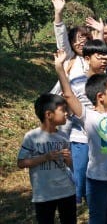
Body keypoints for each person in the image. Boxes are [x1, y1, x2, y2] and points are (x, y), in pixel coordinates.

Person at [54, 48, 107, 223]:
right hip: (99, 180)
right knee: (97, 217)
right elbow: (68, 95)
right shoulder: (88, 116)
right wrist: (60, 68)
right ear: (100, 96)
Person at [50, 39, 107, 205]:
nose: (104, 61)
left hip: (104, 139)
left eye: (106, 57)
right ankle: (76, 202)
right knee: (80, 173)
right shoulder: (77, 82)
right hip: (81, 138)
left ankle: (97, 203)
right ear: (87, 59)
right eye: (99, 57)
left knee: (101, 176)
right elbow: (66, 100)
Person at [18, 93, 75, 224]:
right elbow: (21, 163)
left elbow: (69, 165)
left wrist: (68, 159)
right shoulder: (32, 137)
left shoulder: (64, 136)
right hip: (44, 193)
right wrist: (45, 157)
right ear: (49, 115)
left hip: (67, 190)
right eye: (63, 110)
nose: (67, 113)